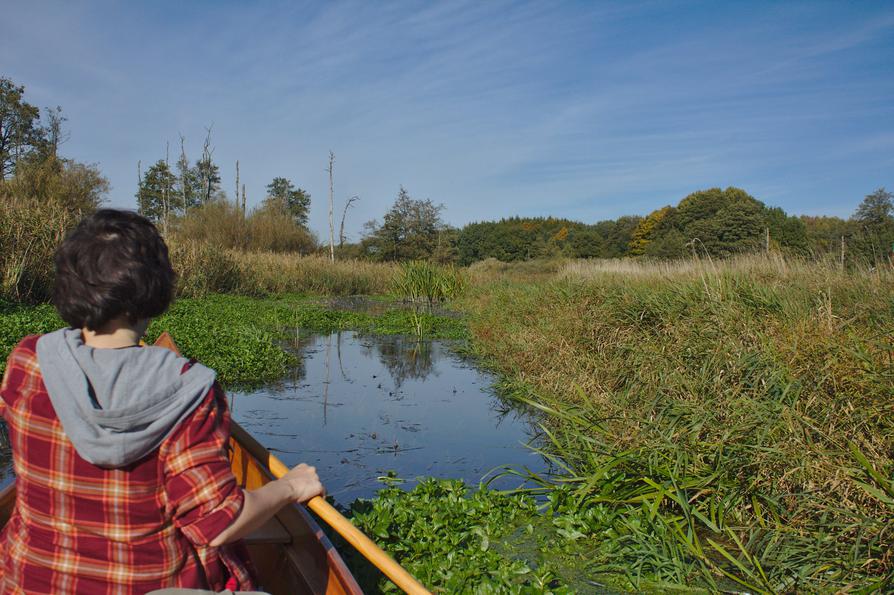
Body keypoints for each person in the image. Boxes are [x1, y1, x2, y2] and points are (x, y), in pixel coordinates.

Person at [0, 209, 323, 594]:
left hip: (28, 582)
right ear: (154, 289)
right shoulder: (189, 390)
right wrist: (289, 488)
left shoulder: (27, 360)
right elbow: (221, 524)